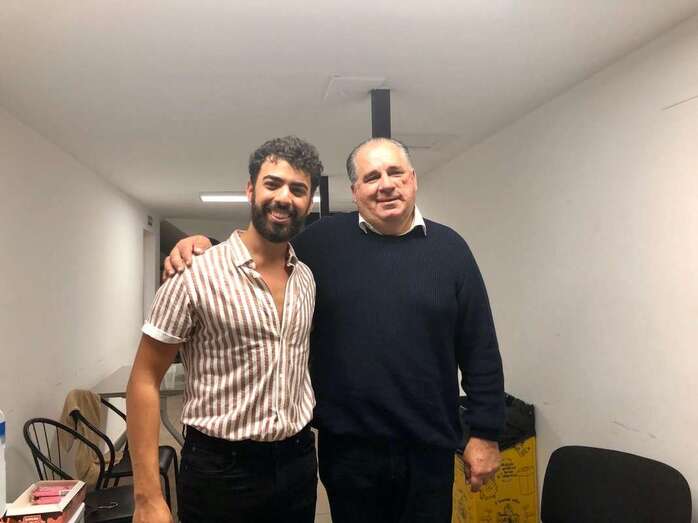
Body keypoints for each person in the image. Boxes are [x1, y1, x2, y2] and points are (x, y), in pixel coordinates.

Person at [166, 137, 505, 523]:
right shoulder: (322, 241)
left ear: (412, 179)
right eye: (371, 177)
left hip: (428, 451)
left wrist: (485, 432)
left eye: (395, 173)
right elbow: (263, 254)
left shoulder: (451, 250)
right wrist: (205, 246)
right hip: (348, 453)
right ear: (355, 191)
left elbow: (480, 348)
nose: (385, 185)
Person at [126, 136, 324, 523]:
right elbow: (144, 379)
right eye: (272, 184)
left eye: (298, 189)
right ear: (250, 189)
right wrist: (147, 496)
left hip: (297, 461)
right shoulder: (193, 273)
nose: (284, 197)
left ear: (309, 200)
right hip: (220, 471)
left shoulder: (306, 279)